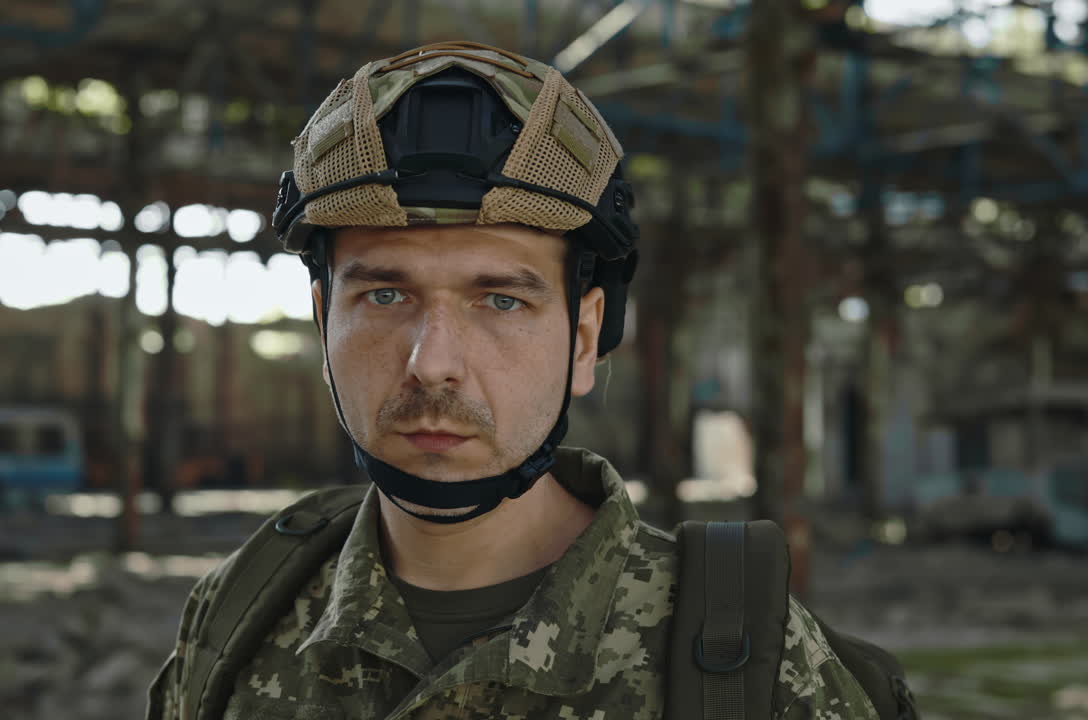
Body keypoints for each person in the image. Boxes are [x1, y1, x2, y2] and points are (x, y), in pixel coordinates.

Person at [149, 41, 881, 720]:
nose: (432, 362)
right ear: (322, 320)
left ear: (585, 338)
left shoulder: (754, 667)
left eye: (501, 300)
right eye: (384, 295)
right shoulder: (238, 620)